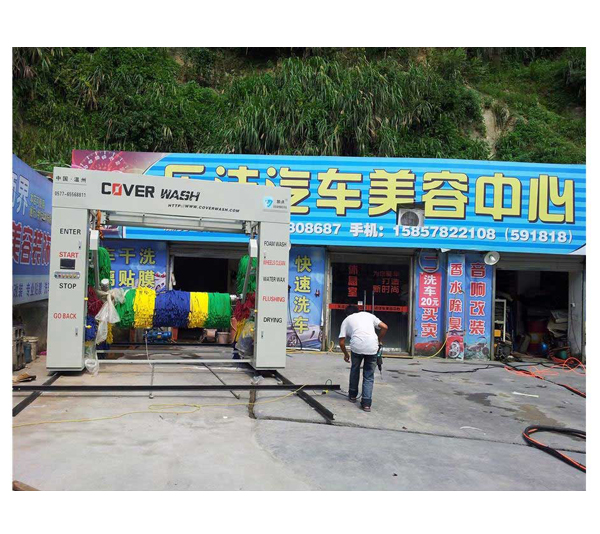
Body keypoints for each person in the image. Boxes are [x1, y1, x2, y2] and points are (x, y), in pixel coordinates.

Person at [339, 305, 388, 412]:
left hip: (357, 347)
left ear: (347, 314)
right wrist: (379, 340)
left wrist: (346, 354)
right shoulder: (368, 315)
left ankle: (352, 396)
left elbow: (341, 342)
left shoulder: (347, 320)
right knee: (369, 375)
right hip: (372, 347)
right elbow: (385, 327)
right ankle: (366, 404)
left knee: (355, 370)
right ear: (358, 311)